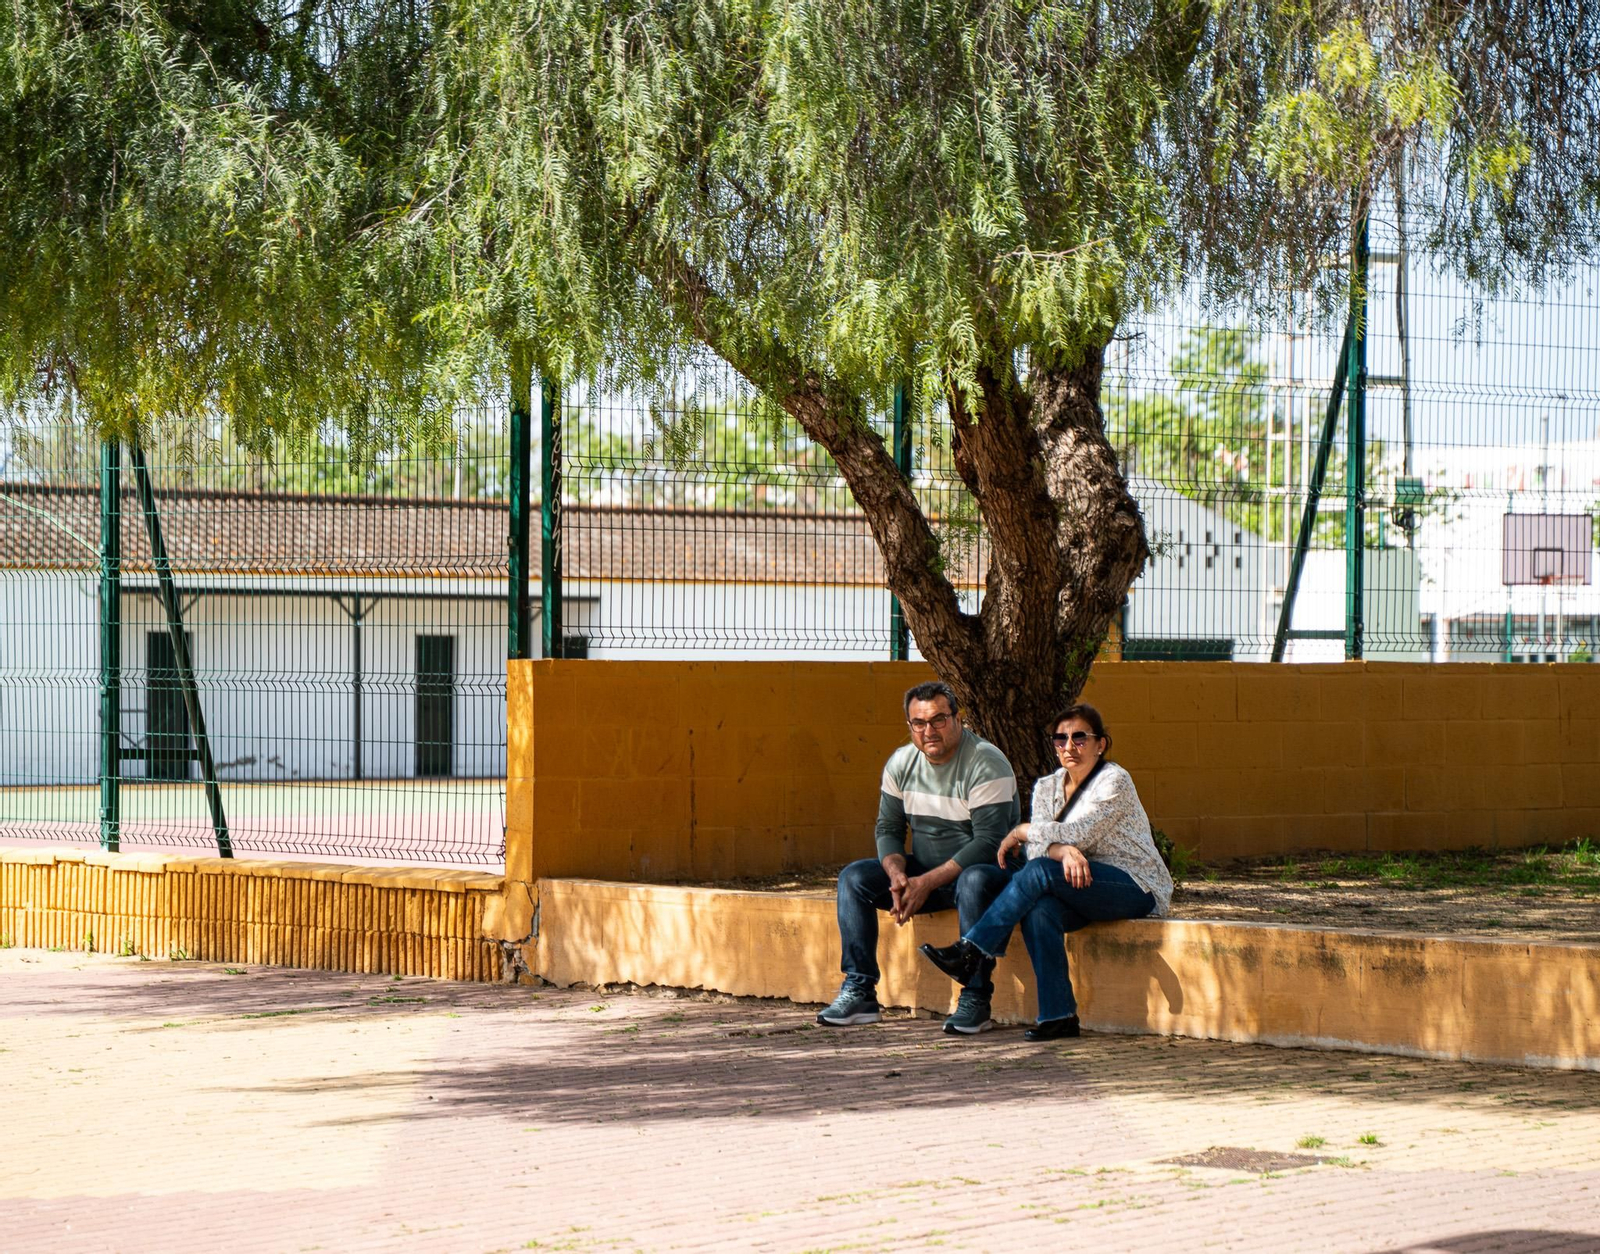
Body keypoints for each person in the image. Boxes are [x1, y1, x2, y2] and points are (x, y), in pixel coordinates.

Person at [918, 703, 1172, 1041]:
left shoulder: (1115, 780)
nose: (1069, 747)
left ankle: (973, 950)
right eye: (1060, 739)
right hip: (1078, 882)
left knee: (1039, 873)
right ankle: (1059, 1016)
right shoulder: (1047, 787)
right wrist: (1062, 850)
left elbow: (1081, 831)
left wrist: (1023, 831)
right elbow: (1046, 848)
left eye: (1080, 738)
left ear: (1101, 744)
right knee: (1040, 910)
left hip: (1133, 883)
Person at [817, 680, 1019, 1035]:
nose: (930, 731)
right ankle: (860, 990)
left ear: (958, 719)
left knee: (973, 880)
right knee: (854, 878)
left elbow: (988, 842)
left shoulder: (986, 761)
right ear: (909, 726)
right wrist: (897, 874)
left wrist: (925, 883)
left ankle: (975, 998)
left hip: (987, 875)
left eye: (939, 720)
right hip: (927, 873)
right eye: (919, 723)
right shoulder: (901, 762)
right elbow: (888, 828)